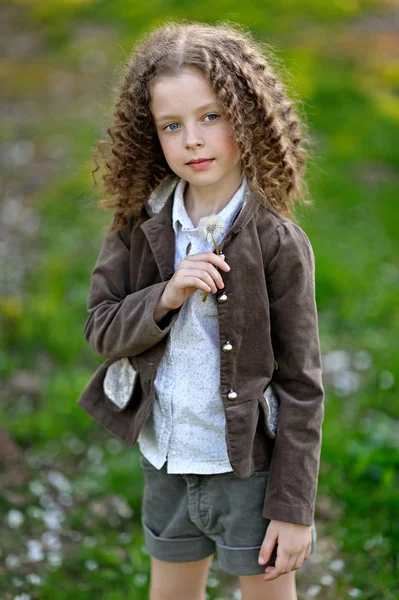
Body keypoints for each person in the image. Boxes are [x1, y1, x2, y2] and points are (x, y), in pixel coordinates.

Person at [79, 19, 325, 600]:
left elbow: (302, 384)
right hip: (166, 459)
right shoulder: (138, 228)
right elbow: (101, 329)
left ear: (247, 119)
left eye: (211, 117)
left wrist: (293, 507)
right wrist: (165, 297)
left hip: (249, 471)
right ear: (152, 137)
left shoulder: (276, 242)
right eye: (172, 125)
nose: (192, 139)